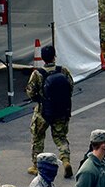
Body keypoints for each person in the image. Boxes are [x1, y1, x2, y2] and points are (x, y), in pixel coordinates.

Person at [27, 46, 74, 178]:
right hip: (61, 110)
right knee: (61, 138)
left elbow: (30, 91)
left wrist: (40, 99)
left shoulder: (37, 73)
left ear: (42, 58)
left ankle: (36, 165)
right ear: (54, 56)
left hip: (44, 111)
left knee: (38, 137)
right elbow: (70, 86)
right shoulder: (62, 70)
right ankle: (66, 161)